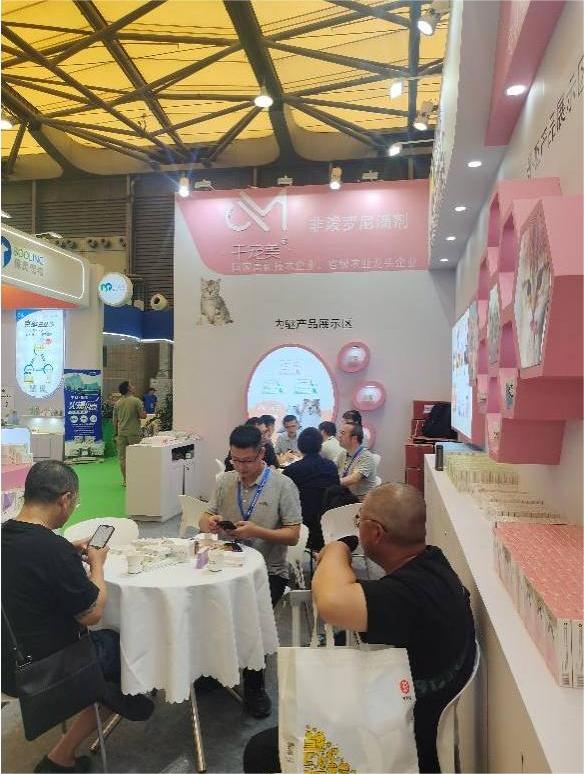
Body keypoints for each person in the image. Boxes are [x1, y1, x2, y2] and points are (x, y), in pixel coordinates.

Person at [243, 483, 476, 774]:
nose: (357, 527)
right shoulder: (433, 563)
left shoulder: (406, 598)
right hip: (409, 703)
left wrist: (338, 546)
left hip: (398, 737)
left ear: (375, 532)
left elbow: (330, 602)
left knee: (261, 751)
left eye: (359, 520)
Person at [1, 461, 153, 774]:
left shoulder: (9, 535)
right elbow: (92, 613)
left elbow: (32, 565)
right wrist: (96, 564)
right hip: (48, 668)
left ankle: (122, 699)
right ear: (65, 499)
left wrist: (67, 551)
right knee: (128, 649)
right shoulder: (52, 550)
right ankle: (62, 755)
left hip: (10, 658)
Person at [199, 425, 302, 718]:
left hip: (268, 571)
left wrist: (257, 531)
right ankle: (216, 670)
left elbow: (293, 535)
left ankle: (255, 686)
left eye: (247, 460)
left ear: (261, 454)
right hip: (226, 563)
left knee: (251, 618)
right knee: (207, 607)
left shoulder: (283, 485)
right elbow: (205, 515)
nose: (241, 467)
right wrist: (210, 522)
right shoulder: (225, 481)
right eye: (235, 460)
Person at [282, 427, 340, 551]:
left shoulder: (292, 471)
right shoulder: (331, 466)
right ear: (320, 445)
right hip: (331, 523)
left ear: (300, 446)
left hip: (303, 526)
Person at [112, 381, 146, 486]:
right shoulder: (136, 401)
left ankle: (126, 480)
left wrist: (115, 434)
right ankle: (136, 479)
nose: (133, 387)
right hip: (134, 433)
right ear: (128, 389)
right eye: (131, 385)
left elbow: (114, 421)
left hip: (121, 433)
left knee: (122, 458)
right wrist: (144, 413)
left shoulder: (118, 403)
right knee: (136, 457)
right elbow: (142, 416)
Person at [337, 422, 377, 501]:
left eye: (343, 433)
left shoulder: (366, 456)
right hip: (346, 496)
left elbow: (354, 478)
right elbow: (332, 468)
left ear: (354, 439)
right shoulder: (343, 453)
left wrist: (332, 481)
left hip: (360, 501)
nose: (339, 436)